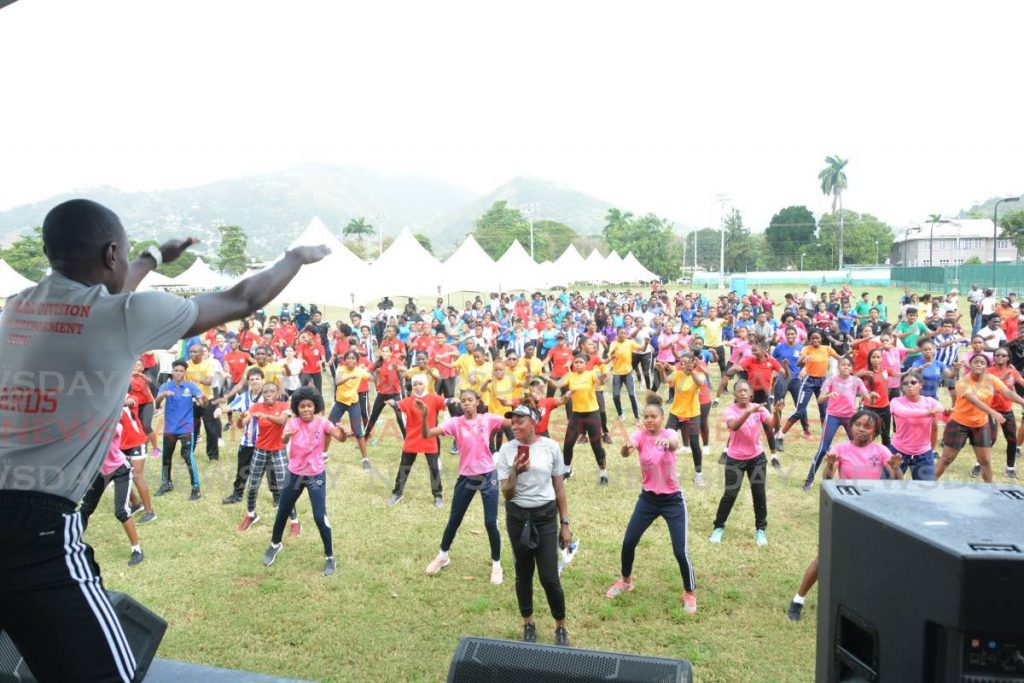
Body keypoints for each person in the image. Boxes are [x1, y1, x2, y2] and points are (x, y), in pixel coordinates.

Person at [0, 198, 328, 682]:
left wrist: (153, 257)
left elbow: (107, 294)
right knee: (111, 673)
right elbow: (242, 299)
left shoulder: (19, 305)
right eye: (126, 254)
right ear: (112, 253)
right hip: (37, 527)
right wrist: (294, 259)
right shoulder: (125, 314)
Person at [787, 410, 903, 621]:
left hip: (871, 512)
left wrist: (895, 469)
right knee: (824, 558)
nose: (862, 429)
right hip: (845, 509)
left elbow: (897, 483)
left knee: (868, 560)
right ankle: (798, 600)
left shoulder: (881, 450)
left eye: (868, 426)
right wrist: (830, 465)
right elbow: (828, 480)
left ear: (875, 431)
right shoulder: (840, 449)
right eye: (858, 424)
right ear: (851, 426)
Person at [606, 394, 697, 614]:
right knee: (629, 542)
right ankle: (626, 581)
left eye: (653, 416)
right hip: (648, 499)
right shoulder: (640, 435)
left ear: (662, 418)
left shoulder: (670, 433)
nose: (649, 420)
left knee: (679, 550)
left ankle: (689, 593)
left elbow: (674, 443)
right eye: (646, 417)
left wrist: (668, 442)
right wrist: (626, 447)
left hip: (672, 500)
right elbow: (626, 451)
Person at [495, 401, 573, 646]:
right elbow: (506, 494)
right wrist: (516, 472)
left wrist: (565, 523)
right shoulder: (507, 451)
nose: (515, 424)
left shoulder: (551, 447)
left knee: (549, 577)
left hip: (546, 516)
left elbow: (559, 487)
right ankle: (528, 624)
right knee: (523, 573)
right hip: (518, 517)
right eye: (513, 420)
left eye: (521, 420)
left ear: (534, 422)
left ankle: (561, 626)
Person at [419, 389, 509, 583]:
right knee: (454, 519)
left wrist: (521, 411)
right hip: (466, 477)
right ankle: (443, 556)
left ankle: (496, 565)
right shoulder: (455, 423)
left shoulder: (488, 419)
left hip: (487, 476)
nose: (466, 403)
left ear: (477, 402)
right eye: (463, 401)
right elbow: (427, 433)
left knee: (490, 523)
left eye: (470, 400)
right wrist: (426, 415)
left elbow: (512, 423)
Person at [263, 387, 347, 576]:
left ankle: (330, 557)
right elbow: (284, 441)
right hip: (294, 474)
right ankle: (275, 544)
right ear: (297, 408)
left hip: (315, 474)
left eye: (310, 406)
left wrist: (343, 432)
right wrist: (285, 436)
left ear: (315, 406)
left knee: (319, 516)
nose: (306, 409)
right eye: (302, 406)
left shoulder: (322, 422)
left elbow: (339, 437)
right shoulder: (293, 423)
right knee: (283, 510)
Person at [935, 354, 1024, 483]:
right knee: (946, 459)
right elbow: (973, 400)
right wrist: (992, 412)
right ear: (970, 365)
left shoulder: (991, 379)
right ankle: (928, 485)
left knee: (985, 461)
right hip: (959, 423)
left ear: (987, 367)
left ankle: (990, 491)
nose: (979, 364)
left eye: (982, 363)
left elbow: (1007, 392)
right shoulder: (963, 381)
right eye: (976, 362)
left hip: (980, 425)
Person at [711, 381, 771, 546]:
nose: (743, 393)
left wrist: (778, 412)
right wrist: (748, 412)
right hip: (735, 459)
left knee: (759, 494)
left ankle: (760, 530)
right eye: (739, 391)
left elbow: (772, 423)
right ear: (735, 395)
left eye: (746, 390)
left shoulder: (759, 408)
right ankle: (718, 527)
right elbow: (734, 426)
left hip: (757, 458)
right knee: (730, 494)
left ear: (751, 393)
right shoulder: (729, 410)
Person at [803, 356, 876, 491]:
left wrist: (872, 396)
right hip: (833, 417)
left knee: (860, 447)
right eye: (843, 365)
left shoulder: (857, 381)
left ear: (852, 368)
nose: (846, 367)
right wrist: (828, 395)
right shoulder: (830, 380)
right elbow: (820, 400)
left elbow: (867, 398)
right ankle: (809, 479)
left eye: (849, 365)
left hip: (850, 418)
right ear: (838, 367)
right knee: (823, 449)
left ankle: (863, 478)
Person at [79, 422, 145, 567]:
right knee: (85, 508)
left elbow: (114, 430)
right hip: (100, 472)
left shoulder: (113, 426)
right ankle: (71, 540)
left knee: (121, 511)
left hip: (120, 470)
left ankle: (137, 550)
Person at [239, 382, 300, 534]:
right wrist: (240, 419)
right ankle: (251, 515)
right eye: (265, 391)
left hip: (278, 450)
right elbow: (242, 423)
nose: (268, 393)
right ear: (262, 393)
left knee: (284, 488)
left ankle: (294, 521)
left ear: (277, 392)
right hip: (260, 450)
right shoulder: (256, 407)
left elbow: (282, 421)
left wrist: (266, 416)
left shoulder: (284, 406)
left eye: (272, 391)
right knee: (252, 485)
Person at [547, 353, 610, 484]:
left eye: (581, 362)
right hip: (576, 414)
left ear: (585, 364)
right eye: (576, 362)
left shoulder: (590, 374)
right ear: (573, 364)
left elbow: (600, 382)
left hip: (592, 413)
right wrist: (549, 381)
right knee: (568, 443)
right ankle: (567, 470)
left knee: (596, 445)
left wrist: (604, 377)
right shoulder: (570, 376)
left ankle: (603, 473)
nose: (578, 364)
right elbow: (558, 384)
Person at [387, 374, 447, 507]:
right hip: (412, 439)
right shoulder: (409, 400)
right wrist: (392, 403)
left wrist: (453, 400)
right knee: (404, 467)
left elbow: (445, 403)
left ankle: (438, 495)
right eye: (415, 384)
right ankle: (397, 493)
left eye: (420, 384)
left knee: (434, 468)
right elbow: (398, 405)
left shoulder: (433, 398)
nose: (418, 387)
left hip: (429, 438)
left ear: (425, 384)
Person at [219, 367, 274, 505]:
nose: (254, 382)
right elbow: (230, 407)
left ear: (263, 380)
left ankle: (277, 497)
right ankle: (237, 495)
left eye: (257, 379)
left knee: (271, 471)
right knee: (242, 469)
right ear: (248, 382)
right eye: (252, 379)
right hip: (247, 442)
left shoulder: (270, 397)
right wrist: (219, 409)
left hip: (266, 441)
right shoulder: (243, 397)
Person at [155, 360, 206, 500]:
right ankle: (166, 483)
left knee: (188, 457)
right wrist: (161, 396)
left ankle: (196, 487)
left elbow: (203, 402)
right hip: (169, 428)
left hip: (186, 428)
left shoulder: (191, 386)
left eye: (181, 371)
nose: (178, 373)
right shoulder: (166, 386)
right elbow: (157, 404)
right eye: (176, 370)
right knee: (166, 457)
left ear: (185, 372)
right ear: (172, 371)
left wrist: (203, 400)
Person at [780, 330, 838, 443]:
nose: (815, 340)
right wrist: (804, 357)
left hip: (822, 382)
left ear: (821, 338)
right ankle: (781, 435)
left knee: (824, 411)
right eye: (813, 338)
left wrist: (849, 358)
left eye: (817, 338)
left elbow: (839, 358)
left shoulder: (827, 349)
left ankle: (825, 438)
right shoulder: (806, 349)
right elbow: (798, 363)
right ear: (809, 339)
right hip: (809, 381)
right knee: (800, 411)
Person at [658, 353, 706, 486]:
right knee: (666, 441)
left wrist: (692, 373)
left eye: (686, 362)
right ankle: (665, 472)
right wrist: (662, 370)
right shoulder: (677, 373)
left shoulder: (699, 375)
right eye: (681, 362)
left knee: (695, 444)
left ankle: (698, 474)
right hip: (676, 413)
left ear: (692, 362)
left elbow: (700, 383)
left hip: (692, 414)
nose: (683, 365)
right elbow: (664, 381)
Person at [889, 372, 945, 480]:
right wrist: (928, 413)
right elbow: (903, 412)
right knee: (889, 486)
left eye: (913, 382)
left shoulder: (930, 402)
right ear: (902, 387)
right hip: (898, 451)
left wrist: (947, 413)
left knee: (925, 489)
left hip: (923, 453)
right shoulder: (896, 402)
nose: (909, 385)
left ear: (920, 384)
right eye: (905, 383)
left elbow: (943, 415)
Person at [330, 350, 372, 469]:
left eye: (353, 358)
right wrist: (348, 377)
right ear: (345, 360)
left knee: (358, 432)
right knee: (327, 426)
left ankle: (365, 460)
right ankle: (323, 454)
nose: (351, 360)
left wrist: (377, 372)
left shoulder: (359, 371)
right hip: (340, 403)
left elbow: (371, 377)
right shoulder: (340, 369)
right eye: (348, 358)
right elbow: (337, 382)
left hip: (353, 403)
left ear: (357, 361)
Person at [607, 327, 648, 420]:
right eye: (620, 333)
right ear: (617, 334)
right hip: (617, 373)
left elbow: (642, 349)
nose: (623, 335)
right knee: (616, 395)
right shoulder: (613, 344)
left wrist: (646, 343)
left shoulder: (630, 342)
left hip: (628, 373)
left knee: (632, 395)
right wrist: (613, 352)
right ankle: (620, 414)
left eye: (624, 333)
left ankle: (637, 418)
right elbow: (610, 355)